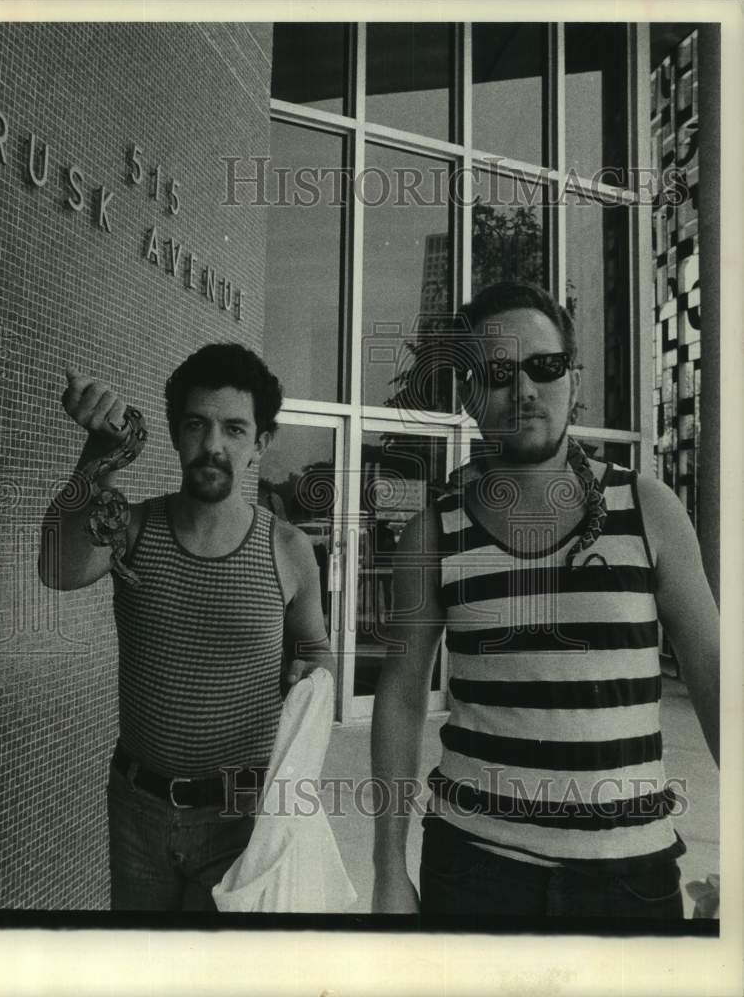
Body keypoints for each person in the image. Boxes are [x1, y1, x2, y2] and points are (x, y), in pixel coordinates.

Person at [371, 282, 719, 920]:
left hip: (631, 882)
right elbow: (397, 698)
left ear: (573, 381)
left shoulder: (650, 510)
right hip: (474, 871)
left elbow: (719, 681)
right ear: (471, 395)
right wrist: (387, 870)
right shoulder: (435, 530)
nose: (524, 390)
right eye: (497, 373)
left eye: (544, 366)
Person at [39, 342, 334, 911]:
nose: (213, 445)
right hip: (137, 811)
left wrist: (309, 675)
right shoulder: (129, 528)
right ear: (175, 433)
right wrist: (98, 452)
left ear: (261, 444)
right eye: (197, 424)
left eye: (235, 429)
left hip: (240, 818)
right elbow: (56, 567)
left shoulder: (290, 550)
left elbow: (317, 651)